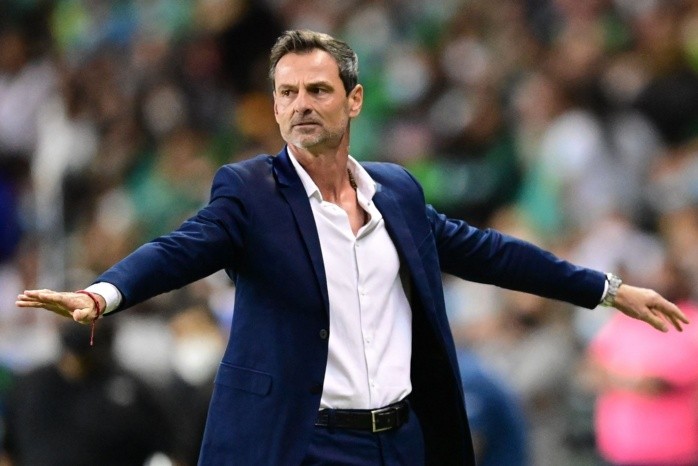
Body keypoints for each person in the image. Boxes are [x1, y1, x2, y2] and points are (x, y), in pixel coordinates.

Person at [15, 29, 689, 466]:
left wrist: (606, 289)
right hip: (305, 443)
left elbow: (489, 253)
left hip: (400, 441)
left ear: (355, 100)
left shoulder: (397, 191)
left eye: (317, 90)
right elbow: (180, 248)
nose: (301, 104)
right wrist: (104, 293)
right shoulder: (249, 192)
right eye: (287, 93)